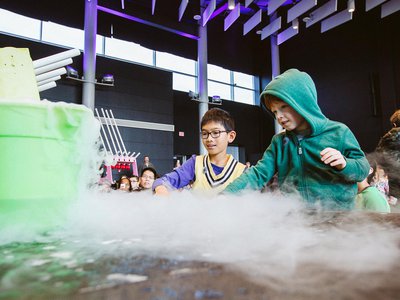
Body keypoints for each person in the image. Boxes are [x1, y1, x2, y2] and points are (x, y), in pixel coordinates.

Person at [224, 68, 370, 210]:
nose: (279, 116)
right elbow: (258, 173)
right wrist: (226, 196)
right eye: (274, 111)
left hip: (339, 220)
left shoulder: (339, 132)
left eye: (284, 107)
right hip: (297, 222)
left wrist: (344, 164)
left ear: (303, 103)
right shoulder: (279, 142)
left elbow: (362, 169)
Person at [153, 108, 246, 196]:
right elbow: (164, 180)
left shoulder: (242, 171)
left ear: (231, 136)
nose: (209, 139)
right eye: (205, 134)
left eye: (216, 133)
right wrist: (161, 188)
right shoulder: (195, 163)